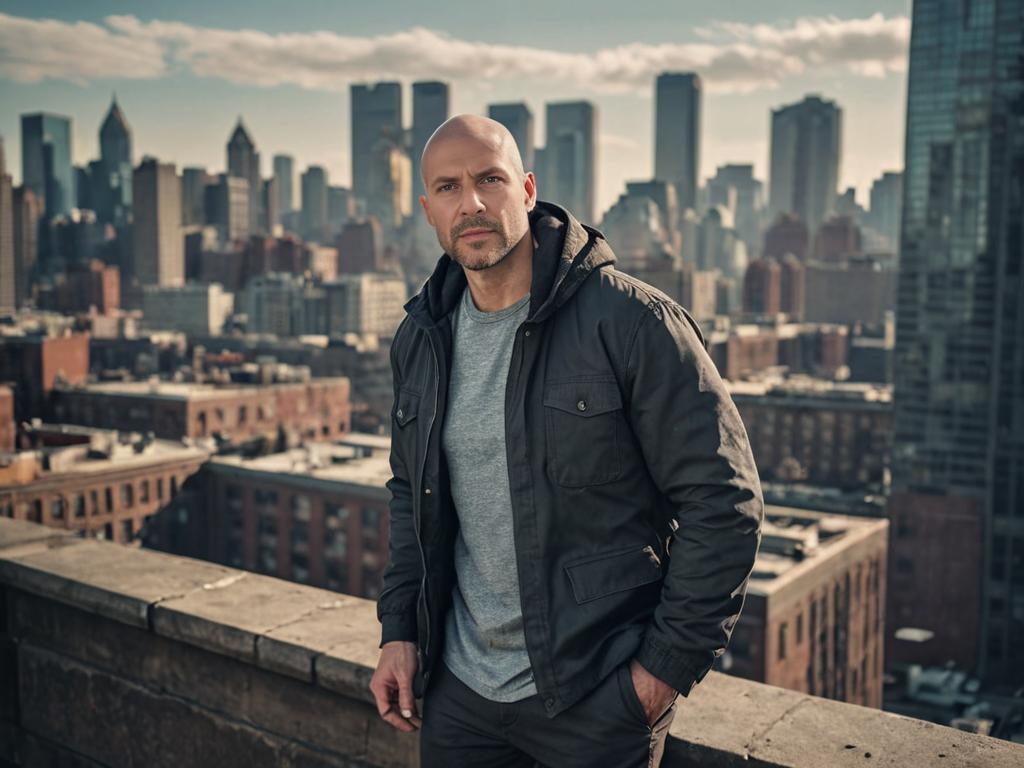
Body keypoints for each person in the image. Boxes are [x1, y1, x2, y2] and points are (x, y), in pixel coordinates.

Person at [369, 114, 763, 768]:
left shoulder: (631, 321)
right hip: (459, 699)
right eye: (447, 188)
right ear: (427, 211)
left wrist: (654, 680)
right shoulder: (421, 340)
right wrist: (400, 631)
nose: (470, 203)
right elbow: (412, 497)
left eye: (489, 179)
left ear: (526, 190)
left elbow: (724, 504)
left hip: (592, 697)